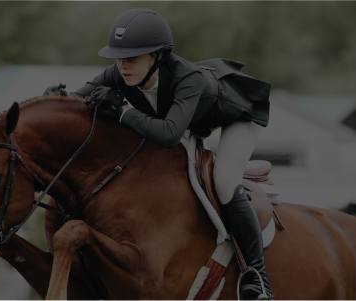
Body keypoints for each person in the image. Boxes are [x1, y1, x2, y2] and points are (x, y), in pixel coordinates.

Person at [44, 8, 273, 301]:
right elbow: (79, 99)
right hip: (191, 119)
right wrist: (54, 100)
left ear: (158, 56)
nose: (122, 66)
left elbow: (168, 134)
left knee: (225, 180)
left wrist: (123, 109)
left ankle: (258, 280)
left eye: (131, 58)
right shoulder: (120, 72)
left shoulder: (188, 78)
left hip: (238, 116)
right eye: (118, 57)